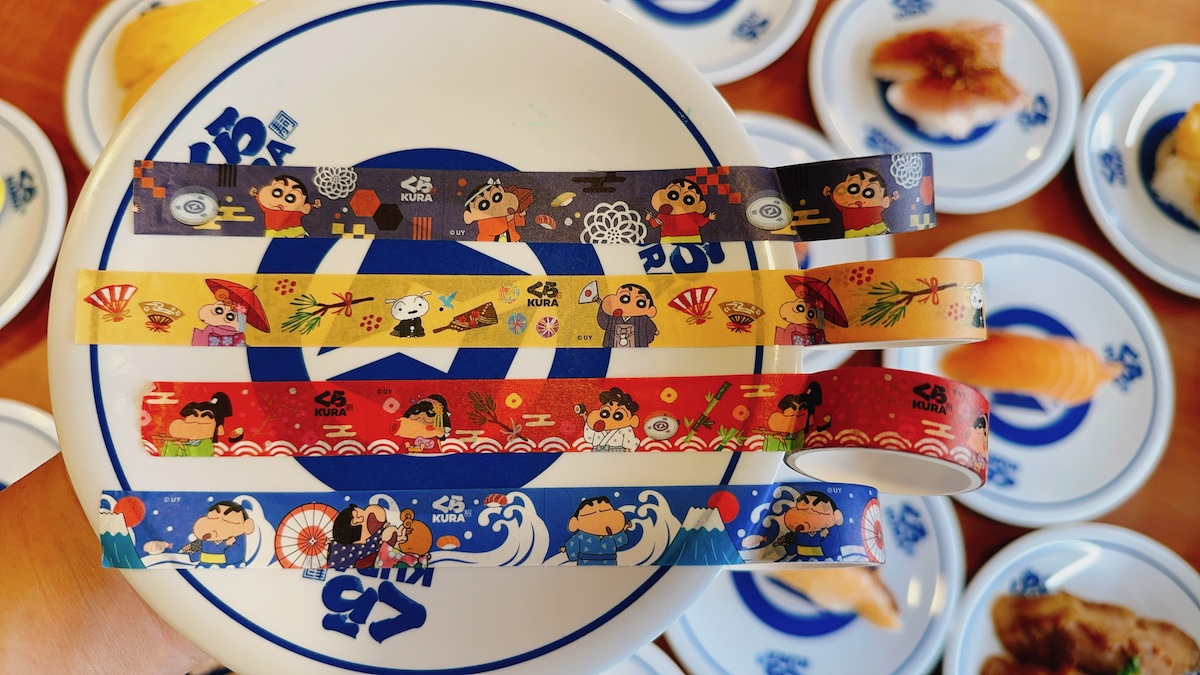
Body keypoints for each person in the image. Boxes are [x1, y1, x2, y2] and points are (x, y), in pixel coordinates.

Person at [250, 175, 320, 238]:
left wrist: (314, 205)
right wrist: (255, 194)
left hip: (295, 233)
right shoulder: (268, 207)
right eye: (277, 192)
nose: (282, 200)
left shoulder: (297, 210)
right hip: (275, 235)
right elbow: (262, 200)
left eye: (291, 198)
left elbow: (306, 209)